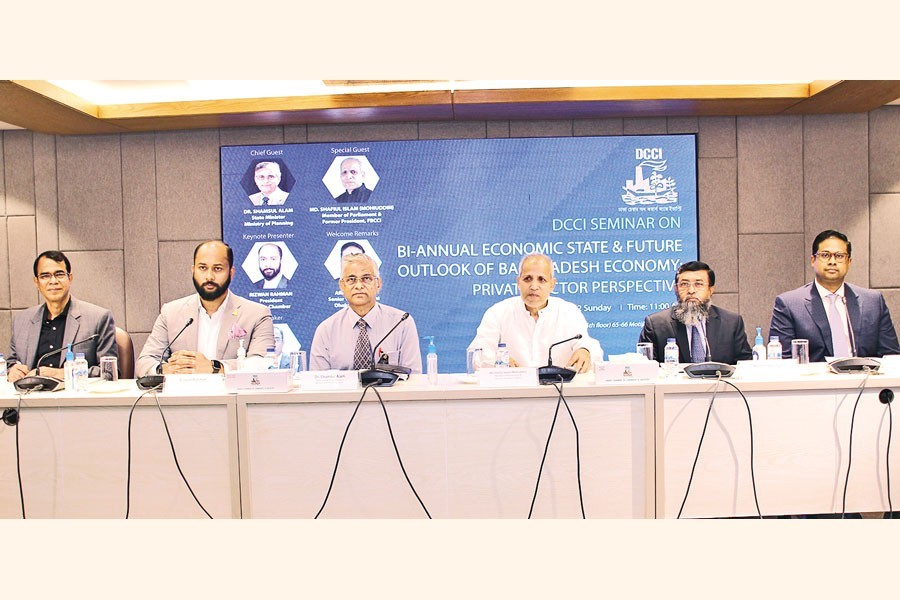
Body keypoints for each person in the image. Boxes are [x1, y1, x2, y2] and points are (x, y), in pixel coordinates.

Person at [136, 240, 275, 376]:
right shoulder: (170, 312)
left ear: (231, 273)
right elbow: (144, 363)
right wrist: (165, 369)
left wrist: (215, 367)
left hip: (232, 397)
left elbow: (263, 364)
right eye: (202, 268)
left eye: (218, 268)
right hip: (183, 397)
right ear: (193, 270)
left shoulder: (257, 314)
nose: (209, 276)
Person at [769, 229, 900, 362]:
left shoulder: (872, 302)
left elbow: (891, 356)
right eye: (825, 255)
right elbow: (782, 362)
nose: (832, 261)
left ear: (849, 262)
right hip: (814, 381)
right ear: (813, 260)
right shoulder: (789, 304)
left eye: (839, 256)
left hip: (864, 379)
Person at [467, 254, 602, 371]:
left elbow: (589, 346)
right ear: (518, 282)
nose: (533, 286)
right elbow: (476, 354)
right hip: (511, 393)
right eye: (527, 279)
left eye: (541, 279)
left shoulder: (569, 312)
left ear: (552, 284)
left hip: (560, 393)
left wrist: (585, 351)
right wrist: (497, 360)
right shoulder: (498, 312)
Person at [6, 250, 118, 382]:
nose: (53, 281)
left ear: (70, 278)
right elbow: (10, 363)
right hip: (30, 398)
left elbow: (109, 372)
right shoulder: (21, 321)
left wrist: (63, 373)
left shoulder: (98, 318)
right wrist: (12, 370)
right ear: (36, 282)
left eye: (59, 274)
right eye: (45, 276)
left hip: (75, 399)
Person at [310, 253, 421, 372]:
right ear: (342, 286)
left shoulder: (401, 323)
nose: (358, 286)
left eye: (366, 278)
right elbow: (317, 385)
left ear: (378, 284)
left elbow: (414, 379)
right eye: (351, 280)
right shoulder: (326, 330)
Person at [638, 261, 751, 365]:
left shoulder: (731, 323)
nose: (691, 291)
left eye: (698, 284)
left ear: (711, 290)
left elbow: (746, 365)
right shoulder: (656, 324)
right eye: (684, 284)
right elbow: (645, 369)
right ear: (676, 289)